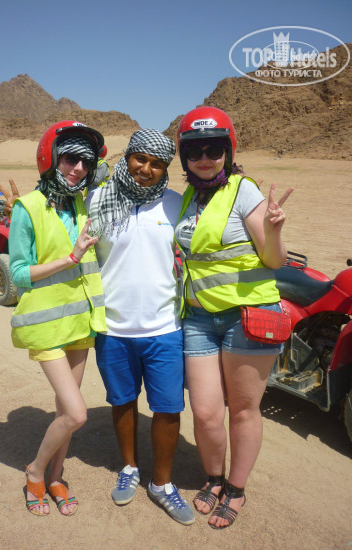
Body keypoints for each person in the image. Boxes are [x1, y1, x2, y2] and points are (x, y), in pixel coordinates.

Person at [175, 106, 293, 530]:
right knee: (206, 412)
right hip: (199, 318)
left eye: (214, 150)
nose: (205, 159)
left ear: (228, 151)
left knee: (243, 410)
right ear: (184, 156)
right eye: (195, 152)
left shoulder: (244, 191)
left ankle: (236, 489)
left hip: (247, 317)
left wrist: (274, 230)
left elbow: (274, 261)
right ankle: (213, 478)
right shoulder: (189, 198)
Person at [85, 128, 195, 526]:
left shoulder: (176, 204)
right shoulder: (97, 200)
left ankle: (161, 484)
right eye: (140, 159)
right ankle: (129, 467)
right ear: (127, 156)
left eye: (157, 164)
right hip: (113, 327)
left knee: (167, 407)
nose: (146, 169)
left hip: (164, 327)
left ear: (166, 169)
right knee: (122, 400)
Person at [8, 120, 106, 516]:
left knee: (65, 409)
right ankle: (35, 470)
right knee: (77, 414)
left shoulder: (81, 204)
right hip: (47, 326)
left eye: (86, 162)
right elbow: (18, 273)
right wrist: (70, 258)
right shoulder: (27, 208)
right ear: (50, 159)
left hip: (80, 323)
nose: (78, 168)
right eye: (70, 158)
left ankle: (56, 476)